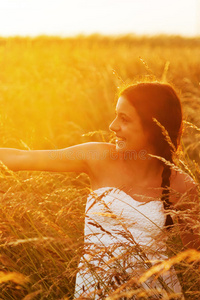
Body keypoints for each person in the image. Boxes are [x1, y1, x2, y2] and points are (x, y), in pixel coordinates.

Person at [0, 82, 199, 299]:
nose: (113, 126)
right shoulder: (97, 158)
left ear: (154, 127)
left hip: (153, 292)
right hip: (93, 289)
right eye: (115, 115)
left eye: (125, 119)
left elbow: (195, 262)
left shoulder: (182, 185)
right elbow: (21, 158)